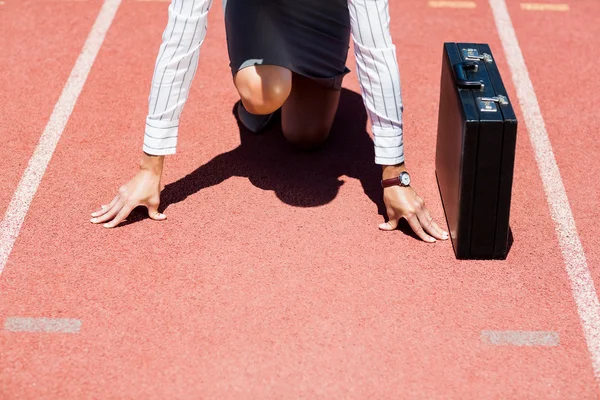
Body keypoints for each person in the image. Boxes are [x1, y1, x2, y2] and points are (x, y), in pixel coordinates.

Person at [90, 0, 449, 243]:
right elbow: (180, 42)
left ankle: (293, 78)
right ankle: (262, 86)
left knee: (306, 136)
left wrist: (395, 176)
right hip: (258, 9)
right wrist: (150, 168)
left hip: (323, 14)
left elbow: (376, 50)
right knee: (265, 97)